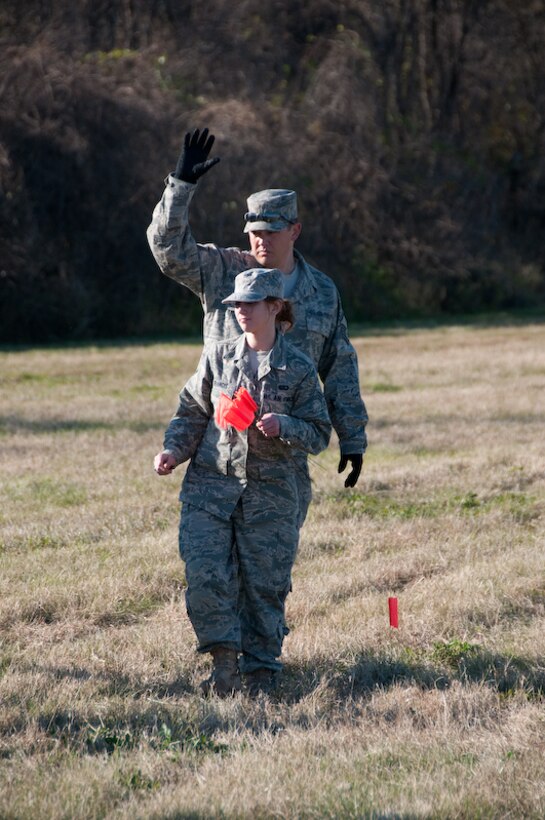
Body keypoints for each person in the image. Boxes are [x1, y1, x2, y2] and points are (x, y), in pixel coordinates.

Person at [147, 127, 368, 525]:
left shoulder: (320, 291)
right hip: (219, 454)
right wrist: (180, 186)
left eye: (271, 232)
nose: (260, 241)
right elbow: (168, 251)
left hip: (280, 464)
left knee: (265, 582)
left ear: (294, 230)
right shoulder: (223, 271)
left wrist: (352, 437)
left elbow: (340, 367)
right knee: (211, 577)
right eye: (253, 233)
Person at [153, 268, 331, 697]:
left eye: (250, 304)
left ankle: (262, 672)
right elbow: (192, 410)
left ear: (275, 307)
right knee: (206, 575)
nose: (240, 311)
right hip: (210, 489)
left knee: (263, 585)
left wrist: (285, 424)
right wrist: (173, 451)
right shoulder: (217, 356)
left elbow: (320, 433)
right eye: (236, 305)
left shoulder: (299, 368)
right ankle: (224, 669)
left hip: (271, 494)